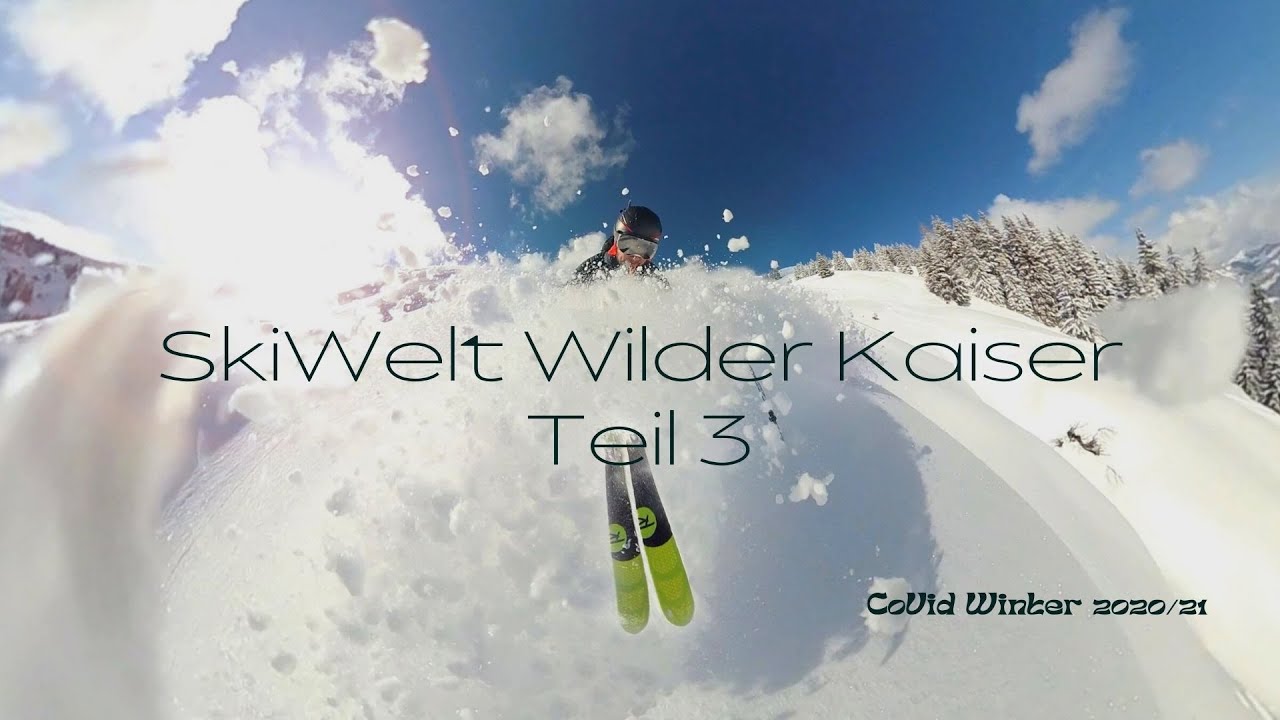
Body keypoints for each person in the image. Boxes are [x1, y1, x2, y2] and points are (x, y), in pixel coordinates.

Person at [570, 205, 669, 287]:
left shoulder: (654, 278)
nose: (636, 257)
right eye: (629, 245)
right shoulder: (592, 268)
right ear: (616, 241)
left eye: (647, 250)